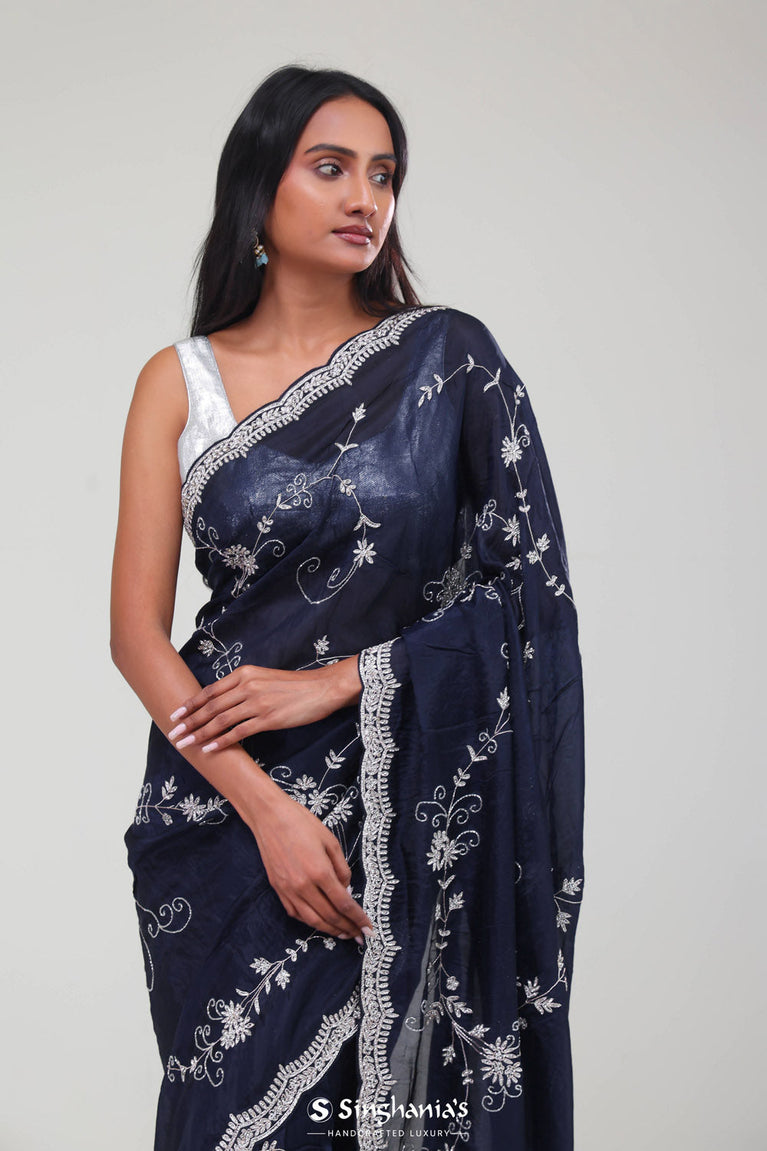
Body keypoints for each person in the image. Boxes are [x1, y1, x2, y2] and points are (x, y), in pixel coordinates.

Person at [111, 63, 585, 1151]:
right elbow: (136, 636)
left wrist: (344, 679)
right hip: (227, 813)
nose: (364, 197)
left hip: (415, 809)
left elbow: (530, 596)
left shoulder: (450, 362)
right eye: (330, 168)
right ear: (258, 187)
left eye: (382, 173)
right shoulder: (180, 381)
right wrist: (266, 811)